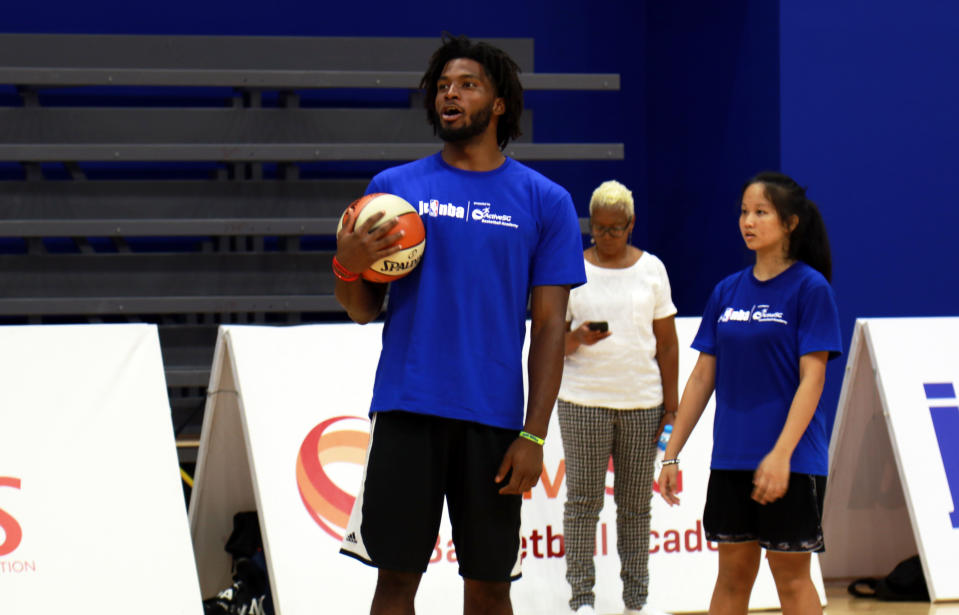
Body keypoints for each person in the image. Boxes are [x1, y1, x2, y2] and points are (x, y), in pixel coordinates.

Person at [333, 34, 586, 615]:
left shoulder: (544, 201)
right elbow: (362, 308)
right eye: (443, 87)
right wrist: (348, 263)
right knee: (395, 581)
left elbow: (550, 328)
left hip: (494, 421)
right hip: (407, 408)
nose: (450, 95)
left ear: (498, 104)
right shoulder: (394, 190)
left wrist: (533, 434)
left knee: (491, 587)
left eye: (467, 85)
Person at [657, 172, 842, 615]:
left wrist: (781, 455)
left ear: (790, 223)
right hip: (731, 461)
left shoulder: (810, 289)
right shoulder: (727, 291)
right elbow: (702, 378)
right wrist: (670, 452)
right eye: (744, 211)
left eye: (761, 212)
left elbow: (812, 381)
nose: (748, 221)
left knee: (791, 580)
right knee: (732, 579)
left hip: (791, 461)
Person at [557, 180, 678, 615]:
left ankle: (635, 603)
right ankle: (582, 601)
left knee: (634, 510)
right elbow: (550, 344)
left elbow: (667, 344)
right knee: (583, 504)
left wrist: (673, 405)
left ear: (631, 225)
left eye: (614, 229)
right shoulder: (570, 268)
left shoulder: (653, 271)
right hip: (582, 401)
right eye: (598, 229)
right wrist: (576, 338)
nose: (605, 237)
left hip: (642, 404)